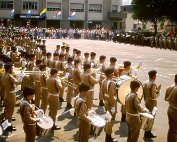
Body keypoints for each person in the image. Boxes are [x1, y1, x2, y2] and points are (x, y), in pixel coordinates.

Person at [1, 63, 20, 130]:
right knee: (10, 110)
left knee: (7, 109)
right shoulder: (10, 76)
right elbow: (18, 82)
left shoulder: (3, 76)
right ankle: (8, 126)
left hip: (6, 94)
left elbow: (2, 87)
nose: (12, 69)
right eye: (12, 68)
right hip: (11, 94)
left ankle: (8, 119)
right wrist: (18, 76)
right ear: (9, 69)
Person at [143, 70, 160, 138]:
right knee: (151, 117)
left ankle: (146, 131)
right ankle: (148, 132)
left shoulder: (146, 82)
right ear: (153, 76)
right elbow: (154, 96)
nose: (156, 76)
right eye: (155, 75)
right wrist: (158, 92)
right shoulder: (153, 84)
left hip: (147, 100)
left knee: (147, 116)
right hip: (152, 102)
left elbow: (144, 93)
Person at [102, 68, 117, 142]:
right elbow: (111, 95)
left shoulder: (104, 81)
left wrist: (105, 101)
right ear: (111, 74)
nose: (114, 74)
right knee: (110, 120)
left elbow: (102, 93)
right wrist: (113, 106)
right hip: (111, 103)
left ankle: (107, 136)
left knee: (108, 119)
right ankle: (108, 138)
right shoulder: (111, 83)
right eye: (113, 73)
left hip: (106, 102)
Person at [165, 74, 177, 142]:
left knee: (171, 129)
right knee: (175, 130)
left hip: (170, 108)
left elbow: (166, 98)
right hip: (175, 110)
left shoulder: (169, 87)